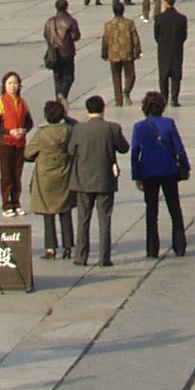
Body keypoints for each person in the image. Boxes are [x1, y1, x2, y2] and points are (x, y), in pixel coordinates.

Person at [66, 94, 127, 267]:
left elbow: (70, 151)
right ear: (103, 109)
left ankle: (81, 256)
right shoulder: (112, 128)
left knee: (83, 220)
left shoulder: (79, 129)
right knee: (105, 220)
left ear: (87, 110)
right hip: (105, 180)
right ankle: (104, 258)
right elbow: (124, 148)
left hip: (83, 181)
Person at [129, 92, 188, 259]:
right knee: (174, 208)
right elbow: (179, 147)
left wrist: (137, 176)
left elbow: (135, 153)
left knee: (151, 211)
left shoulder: (139, 127)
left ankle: (152, 249)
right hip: (169, 170)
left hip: (148, 172)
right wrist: (186, 165)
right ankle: (180, 245)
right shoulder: (169, 123)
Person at [26, 101, 75, 260]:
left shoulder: (42, 134)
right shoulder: (68, 130)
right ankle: (68, 246)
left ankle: (50, 248)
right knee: (65, 211)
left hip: (45, 177)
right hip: (64, 174)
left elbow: (28, 153)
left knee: (48, 212)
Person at [0, 74, 33, 217]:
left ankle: (16, 202)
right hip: (5, 143)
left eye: (15, 83)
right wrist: (9, 131)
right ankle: (6, 204)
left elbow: (29, 122)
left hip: (19, 143)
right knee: (6, 174)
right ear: (4, 86)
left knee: (17, 173)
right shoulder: (0, 103)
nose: (12, 86)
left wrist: (24, 130)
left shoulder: (23, 103)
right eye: (9, 83)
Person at [101, 3, 143, 107]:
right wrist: (138, 51)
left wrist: (104, 53)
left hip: (113, 54)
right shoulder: (129, 23)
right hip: (127, 53)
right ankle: (126, 90)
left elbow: (105, 40)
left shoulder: (108, 25)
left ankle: (118, 101)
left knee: (116, 78)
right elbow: (135, 38)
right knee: (131, 75)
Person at [42, 0, 82, 103]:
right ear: (66, 7)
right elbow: (76, 36)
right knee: (69, 77)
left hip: (54, 53)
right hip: (67, 52)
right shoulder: (70, 21)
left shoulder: (50, 21)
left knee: (57, 77)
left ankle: (59, 101)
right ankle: (62, 95)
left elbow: (46, 35)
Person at [153, 0, 189, 108]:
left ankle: (164, 97)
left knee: (163, 75)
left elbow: (156, 35)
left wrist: (162, 43)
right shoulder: (182, 18)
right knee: (176, 75)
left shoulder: (159, 18)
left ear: (165, 3)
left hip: (163, 50)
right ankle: (174, 99)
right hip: (177, 49)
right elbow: (184, 35)